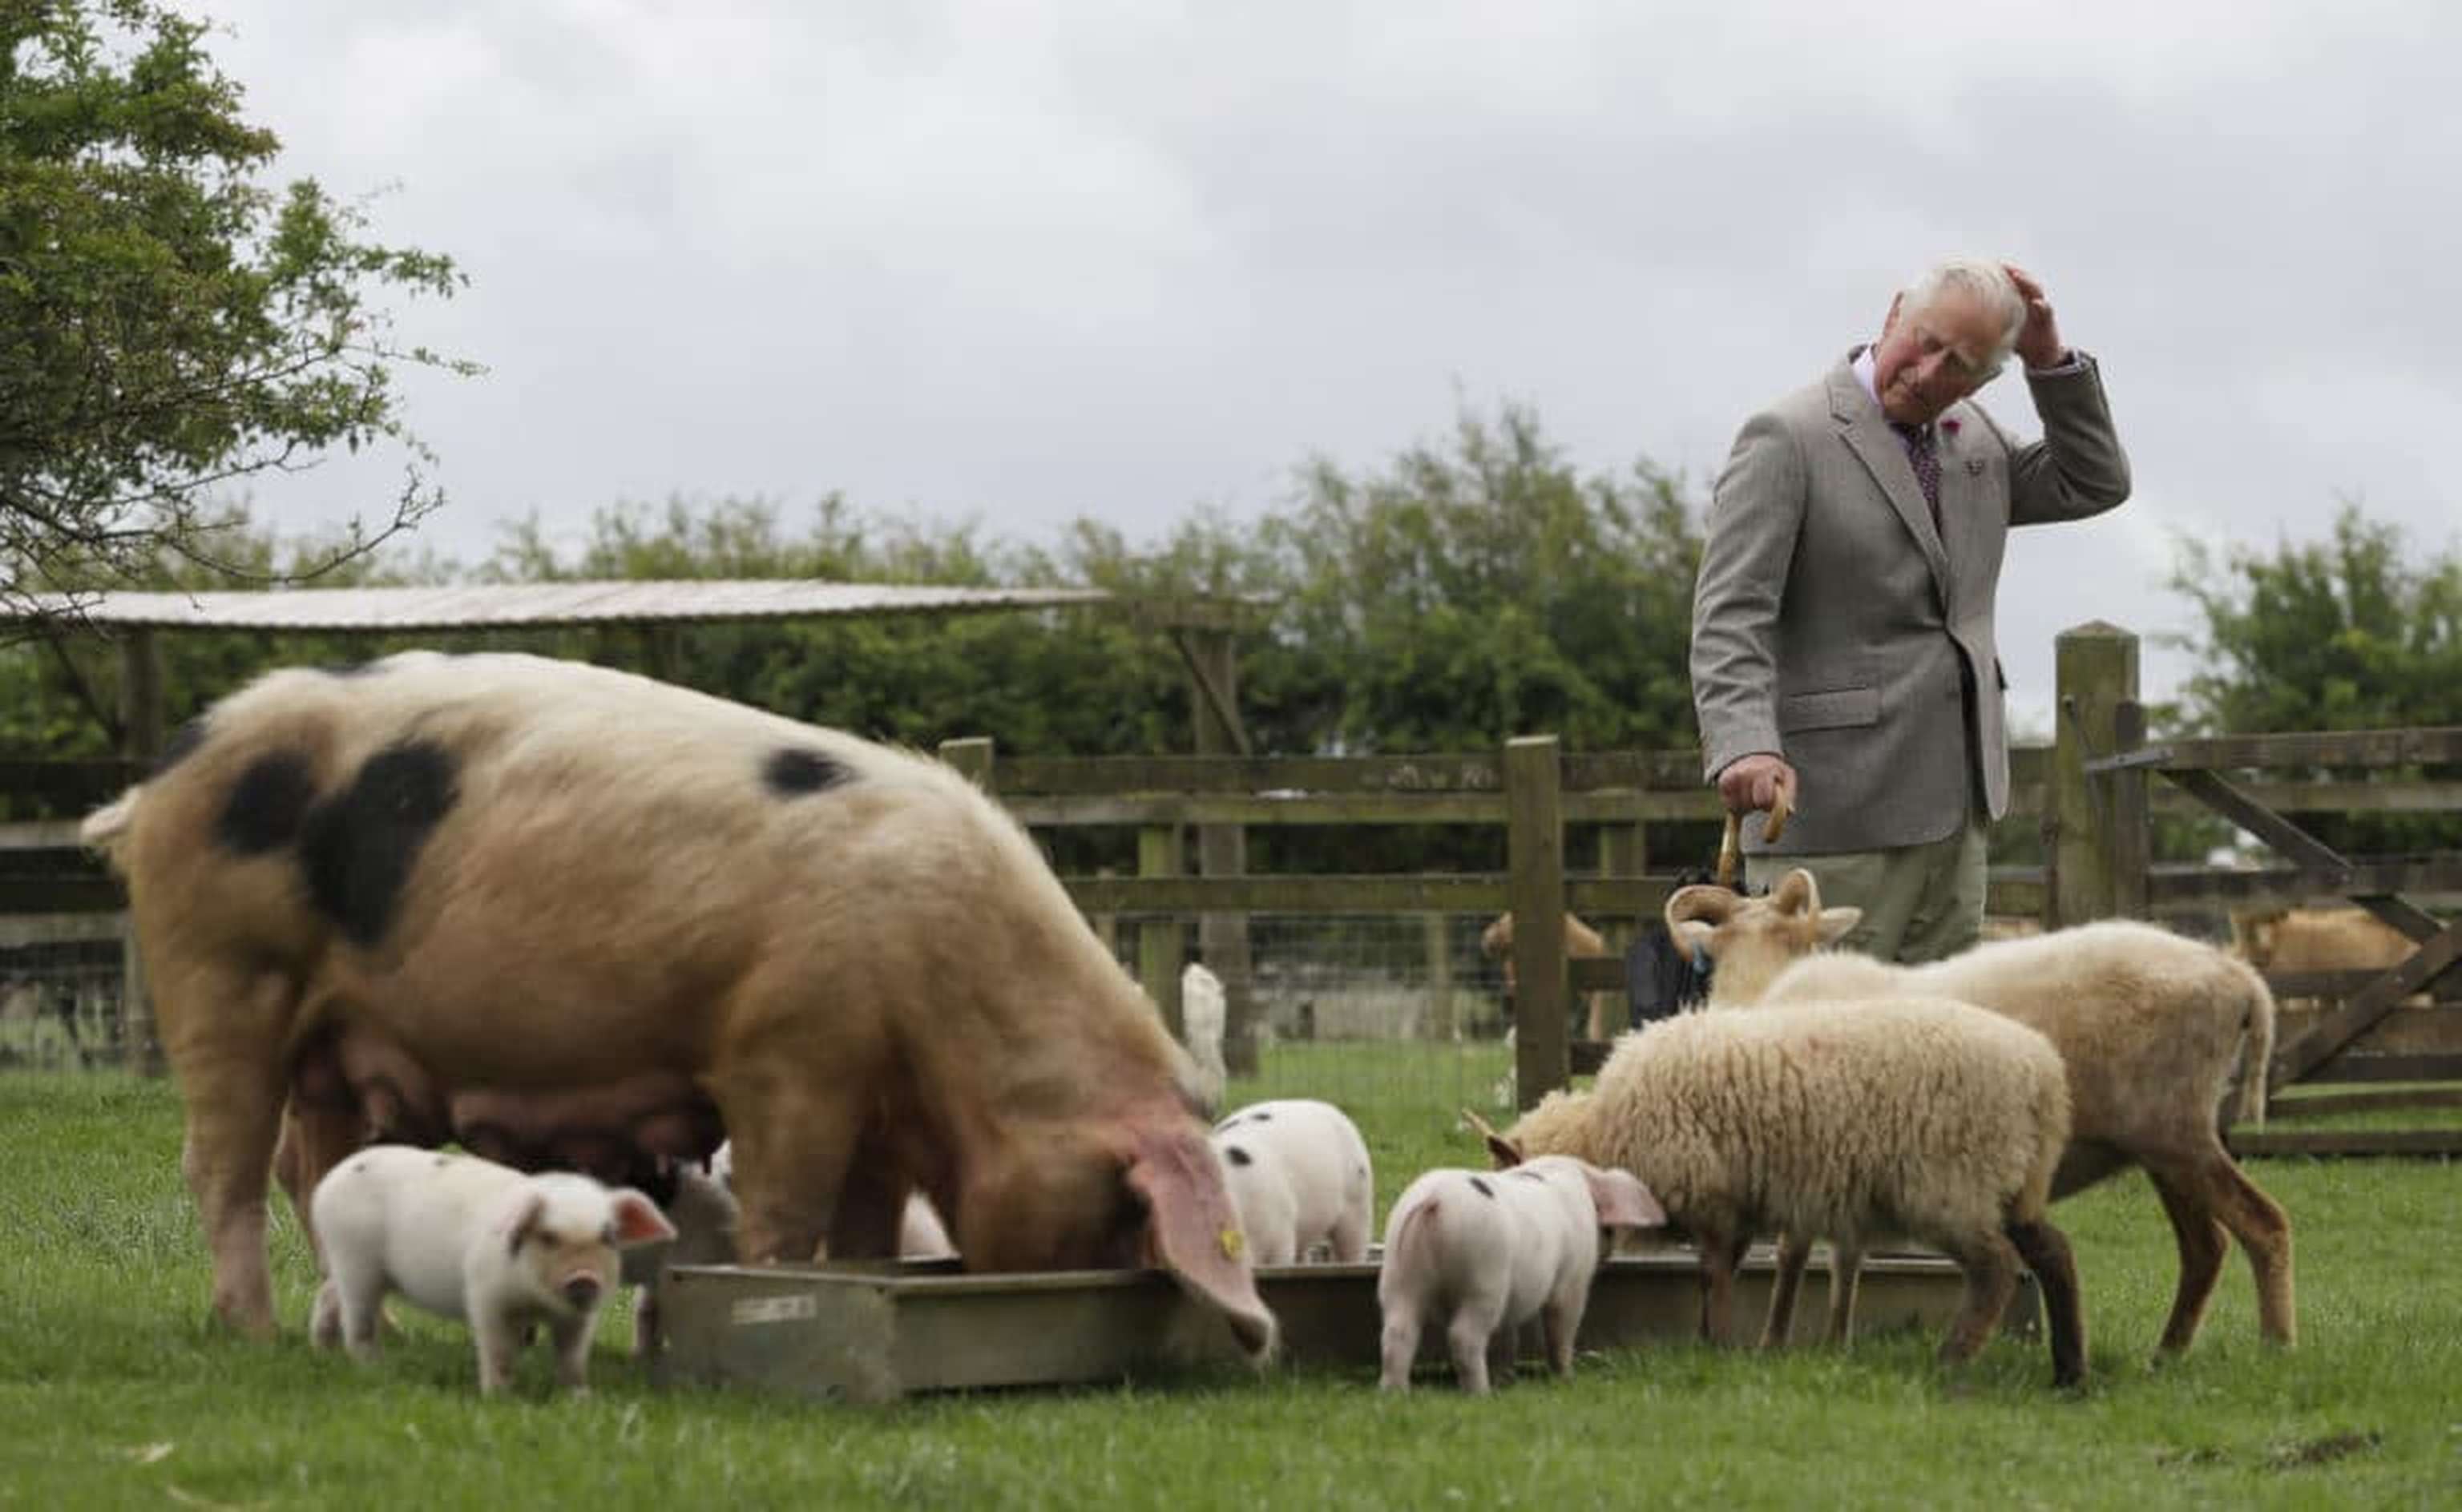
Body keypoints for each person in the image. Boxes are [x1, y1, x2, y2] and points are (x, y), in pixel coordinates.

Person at [1689, 259, 2130, 963]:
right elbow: (1730, 610)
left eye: (1960, 364)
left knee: (1931, 1053)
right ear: (1895, 312)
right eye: (1925, 342)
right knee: (1818, 1053)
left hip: (1958, 819)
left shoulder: (1977, 439)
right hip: (1833, 816)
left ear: (1988, 378)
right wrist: (1744, 740)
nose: (1929, 373)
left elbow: (2094, 480)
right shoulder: (1787, 435)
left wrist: (2050, 362)